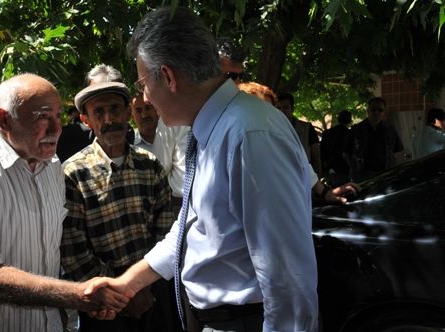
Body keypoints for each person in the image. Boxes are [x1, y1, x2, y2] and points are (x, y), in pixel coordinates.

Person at [85, 7, 319, 332]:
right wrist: (128, 283)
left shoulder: (249, 135)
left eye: (143, 84)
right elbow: (189, 229)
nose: (145, 98)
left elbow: (288, 279)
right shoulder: (213, 130)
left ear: (168, 77)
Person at [0, 73, 130, 332]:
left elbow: (51, 254)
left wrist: (65, 310)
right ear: (4, 119)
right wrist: (77, 296)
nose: (56, 129)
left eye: (57, 116)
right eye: (42, 117)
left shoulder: (53, 167)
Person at [60, 81, 176, 332]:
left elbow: (166, 231)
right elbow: (73, 248)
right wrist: (120, 294)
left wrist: (141, 285)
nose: (109, 119)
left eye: (114, 109)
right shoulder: (73, 173)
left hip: (153, 293)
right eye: (98, 112)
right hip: (102, 302)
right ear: (86, 120)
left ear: (127, 112)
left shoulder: (150, 165)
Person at [238, 82, 358, 204]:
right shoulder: (235, 138)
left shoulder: (292, 131)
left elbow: (303, 163)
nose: (273, 114)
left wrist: (324, 192)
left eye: (270, 109)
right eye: (261, 109)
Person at [131, 93, 189, 213]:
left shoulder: (171, 124)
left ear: (156, 108)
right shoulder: (130, 145)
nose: (144, 115)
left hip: (179, 202)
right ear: (132, 116)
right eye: (138, 110)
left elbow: (161, 168)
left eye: (148, 107)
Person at [343, 97, 404, 181]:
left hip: (385, 175)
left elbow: (397, 152)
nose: (377, 112)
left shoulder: (390, 130)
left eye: (380, 110)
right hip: (363, 177)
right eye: (373, 109)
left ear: (384, 112)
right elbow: (346, 153)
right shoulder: (356, 130)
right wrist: (355, 167)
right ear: (368, 111)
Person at [276, 92, 322, 175]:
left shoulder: (307, 128)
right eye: (278, 108)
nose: (282, 111)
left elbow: (316, 155)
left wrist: (318, 176)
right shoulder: (270, 129)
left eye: (286, 107)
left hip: (304, 175)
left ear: (292, 108)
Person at [321, 110, 352, 186]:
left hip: (329, 168)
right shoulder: (349, 134)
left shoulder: (327, 133)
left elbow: (321, 151)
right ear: (350, 121)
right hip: (344, 169)